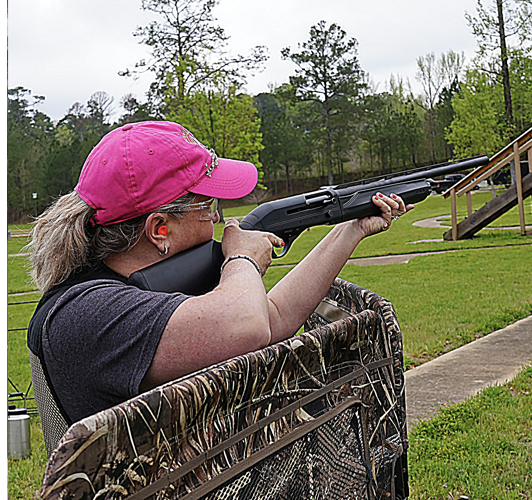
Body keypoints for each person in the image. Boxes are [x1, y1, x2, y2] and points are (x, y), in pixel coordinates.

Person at [25, 120, 406, 426]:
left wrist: (350, 229)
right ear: (161, 229)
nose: (219, 221)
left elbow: (271, 320)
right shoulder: (87, 313)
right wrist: (242, 260)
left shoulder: (127, 296)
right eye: (209, 209)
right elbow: (248, 325)